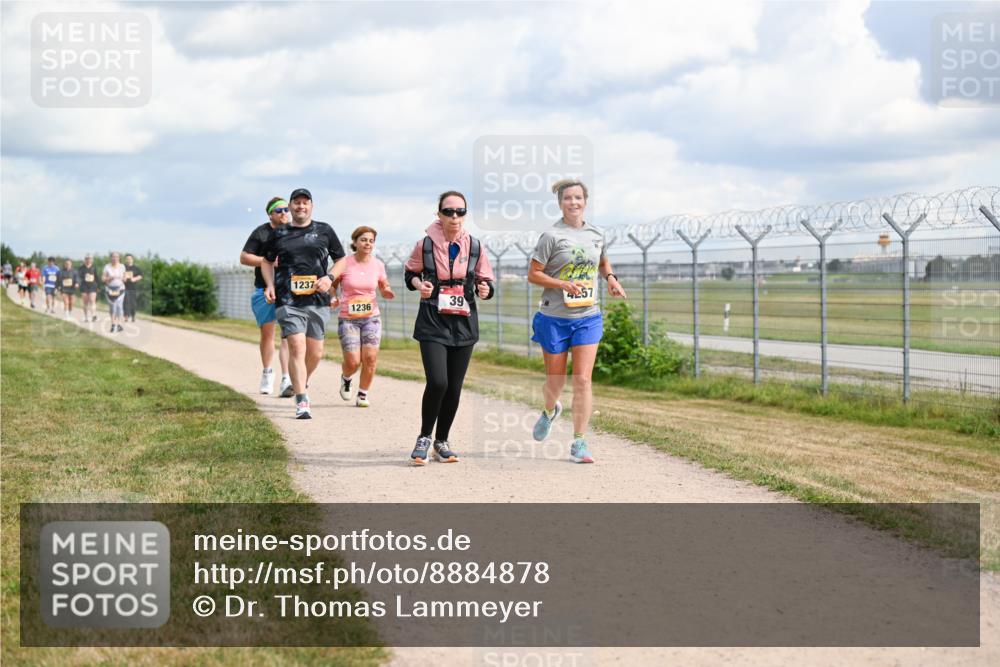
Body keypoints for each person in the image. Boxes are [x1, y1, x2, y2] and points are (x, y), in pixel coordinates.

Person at [527, 179, 627, 464]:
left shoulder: (597, 233)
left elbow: (602, 262)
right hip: (554, 318)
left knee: (583, 379)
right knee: (555, 382)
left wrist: (610, 279)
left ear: (586, 201)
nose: (573, 202)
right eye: (568, 198)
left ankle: (580, 442)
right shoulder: (551, 236)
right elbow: (533, 275)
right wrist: (561, 284)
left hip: (588, 315)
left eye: (578, 197)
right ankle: (549, 411)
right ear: (560, 203)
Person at [403, 191, 495, 465]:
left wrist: (485, 289)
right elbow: (410, 274)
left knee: (454, 386)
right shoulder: (425, 245)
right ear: (439, 214)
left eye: (460, 211)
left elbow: (488, 284)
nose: (455, 216)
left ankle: (441, 441)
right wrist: (420, 285)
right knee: (438, 381)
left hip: (464, 322)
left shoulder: (476, 247)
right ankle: (424, 437)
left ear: (465, 214)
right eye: (449, 211)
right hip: (433, 319)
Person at [262, 188, 347, 419]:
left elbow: (341, 260)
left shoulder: (324, 230)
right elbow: (266, 262)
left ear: (311, 206)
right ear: (290, 206)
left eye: (305, 203)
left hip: (318, 299)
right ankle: (302, 401)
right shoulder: (279, 233)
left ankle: (302, 381)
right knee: (297, 347)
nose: (300, 206)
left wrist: (329, 278)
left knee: (316, 352)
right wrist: (269, 285)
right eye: (296, 203)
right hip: (288, 299)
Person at [331, 226, 394, 408]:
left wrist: (386, 290)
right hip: (348, 317)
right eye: (364, 240)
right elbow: (333, 284)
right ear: (355, 242)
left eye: (371, 241)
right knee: (352, 361)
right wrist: (333, 297)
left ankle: (363, 394)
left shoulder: (378, 264)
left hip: (371, 317)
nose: (368, 243)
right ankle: (347, 377)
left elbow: (383, 284)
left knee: (371, 358)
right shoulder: (344, 263)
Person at [241, 197, 293, 396]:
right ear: (270, 214)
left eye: (286, 209)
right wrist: (268, 261)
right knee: (268, 333)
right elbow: (244, 257)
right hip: (264, 289)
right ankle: (267, 372)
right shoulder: (261, 233)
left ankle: (287, 378)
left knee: (289, 334)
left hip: (289, 289)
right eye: (278, 210)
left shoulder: (295, 232)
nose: (283, 213)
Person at [103, 252, 126, 333]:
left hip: (120, 289)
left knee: (119, 306)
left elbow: (124, 278)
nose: (115, 258)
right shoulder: (107, 267)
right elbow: (103, 279)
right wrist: (110, 278)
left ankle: (119, 324)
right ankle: (113, 325)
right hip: (110, 289)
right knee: (112, 307)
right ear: (111, 258)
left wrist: (124, 278)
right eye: (113, 257)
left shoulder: (122, 266)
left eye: (117, 257)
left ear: (119, 258)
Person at [123, 254, 144, 323]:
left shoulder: (136, 268)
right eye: (127, 259)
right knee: (125, 301)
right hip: (124, 287)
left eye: (130, 259)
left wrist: (135, 279)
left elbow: (141, 275)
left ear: (132, 259)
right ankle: (126, 316)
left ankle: (133, 316)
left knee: (132, 302)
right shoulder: (123, 267)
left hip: (133, 287)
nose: (128, 260)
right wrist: (123, 278)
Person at [78, 255, 99, 322]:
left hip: (92, 286)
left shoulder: (94, 268)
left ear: (92, 260)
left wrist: (98, 286)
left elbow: (96, 277)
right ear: (85, 260)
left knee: (92, 300)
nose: (88, 260)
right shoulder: (81, 268)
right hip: (84, 286)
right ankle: (86, 317)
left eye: (90, 259)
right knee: (85, 302)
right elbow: (79, 277)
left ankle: (93, 315)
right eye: (87, 259)